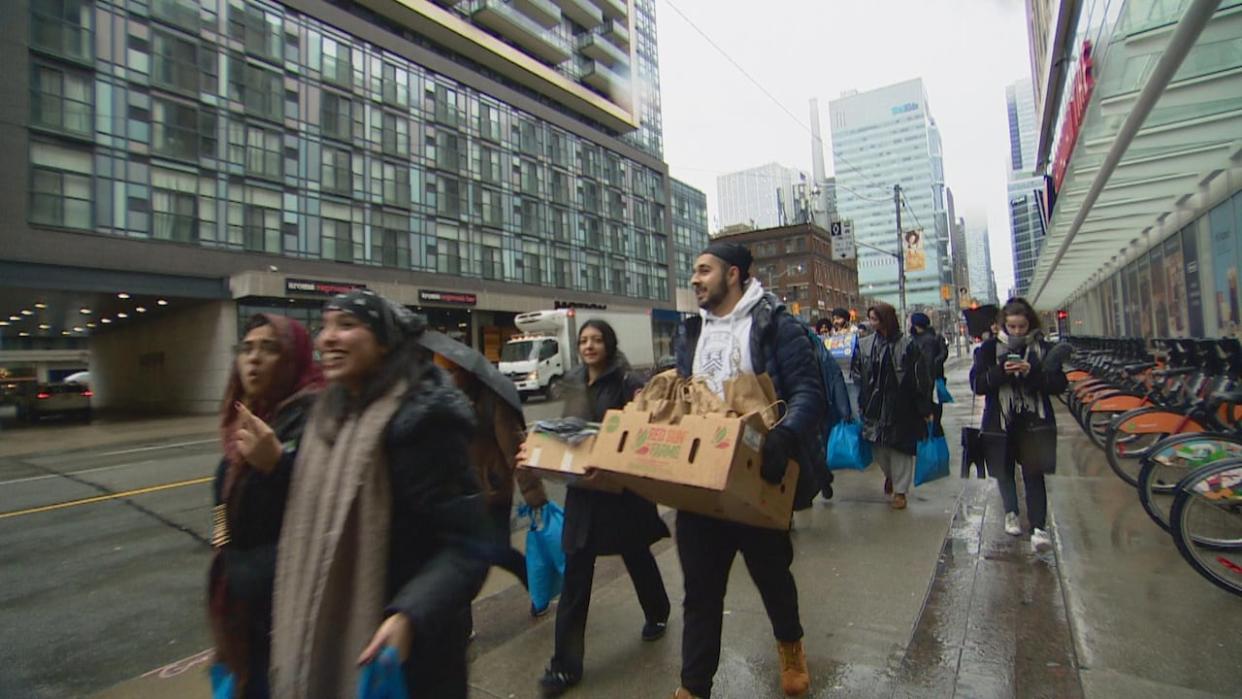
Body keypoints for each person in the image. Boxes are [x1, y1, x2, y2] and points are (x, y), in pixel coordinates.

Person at [269, 290, 491, 699]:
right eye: (325, 326)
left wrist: (410, 614)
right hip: (332, 635)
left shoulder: (423, 422)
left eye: (347, 325)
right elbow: (317, 511)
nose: (328, 338)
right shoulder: (324, 417)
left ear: (385, 342)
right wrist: (274, 465)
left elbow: (470, 545)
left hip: (413, 656)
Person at [671, 242, 825, 699]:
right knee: (700, 591)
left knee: (773, 578)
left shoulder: (775, 322)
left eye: (703, 271)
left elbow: (808, 392)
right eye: (694, 272)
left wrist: (784, 437)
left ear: (733, 274)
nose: (695, 279)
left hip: (758, 476)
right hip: (701, 477)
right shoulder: (691, 331)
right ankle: (693, 686)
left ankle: (791, 646)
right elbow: (686, 392)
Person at [536, 319, 671, 697]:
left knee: (636, 553)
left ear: (609, 345)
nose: (589, 345)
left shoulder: (627, 382)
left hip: (620, 491)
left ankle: (658, 611)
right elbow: (569, 427)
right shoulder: (575, 381)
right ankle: (565, 666)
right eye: (584, 340)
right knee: (577, 573)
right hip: (583, 491)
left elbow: (643, 428)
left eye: (597, 339)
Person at [208, 314, 323, 698]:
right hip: (243, 611)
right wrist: (222, 550)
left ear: (293, 359)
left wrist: (277, 466)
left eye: (270, 348)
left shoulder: (318, 418)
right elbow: (223, 511)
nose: (254, 358)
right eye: (247, 347)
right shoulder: (243, 422)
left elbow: (328, 511)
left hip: (293, 616)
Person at [436, 354, 549, 608]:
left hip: (492, 491)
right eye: (443, 371)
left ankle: (536, 587)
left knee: (497, 551)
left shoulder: (492, 401)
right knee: (458, 555)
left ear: (467, 372)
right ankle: (460, 622)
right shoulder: (443, 401)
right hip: (459, 493)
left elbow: (515, 451)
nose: (447, 377)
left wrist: (533, 495)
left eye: (452, 371)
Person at [970, 298, 1068, 553]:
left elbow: (1059, 384)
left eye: (1021, 327)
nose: (1016, 332)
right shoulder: (988, 349)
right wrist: (1002, 371)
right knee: (1004, 472)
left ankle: (1038, 527)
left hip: (1034, 422)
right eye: (1012, 327)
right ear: (1003, 324)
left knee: (1034, 475)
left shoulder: (1043, 349)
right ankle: (1011, 512)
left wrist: (1030, 373)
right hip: (1000, 421)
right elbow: (978, 384)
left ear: (1030, 324)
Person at [852, 302, 933, 511]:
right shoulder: (865, 344)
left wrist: (924, 408)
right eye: (870, 319)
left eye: (875, 319)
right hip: (873, 405)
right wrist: (861, 400)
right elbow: (858, 373)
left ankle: (900, 490)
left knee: (900, 449)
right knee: (878, 447)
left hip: (902, 405)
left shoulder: (907, 345)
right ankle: (891, 477)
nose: (872, 323)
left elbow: (920, 378)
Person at [826, 307, 860, 414]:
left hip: (851, 374)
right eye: (834, 318)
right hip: (837, 374)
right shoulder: (832, 334)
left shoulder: (854, 331)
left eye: (839, 318)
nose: (836, 322)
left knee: (854, 405)